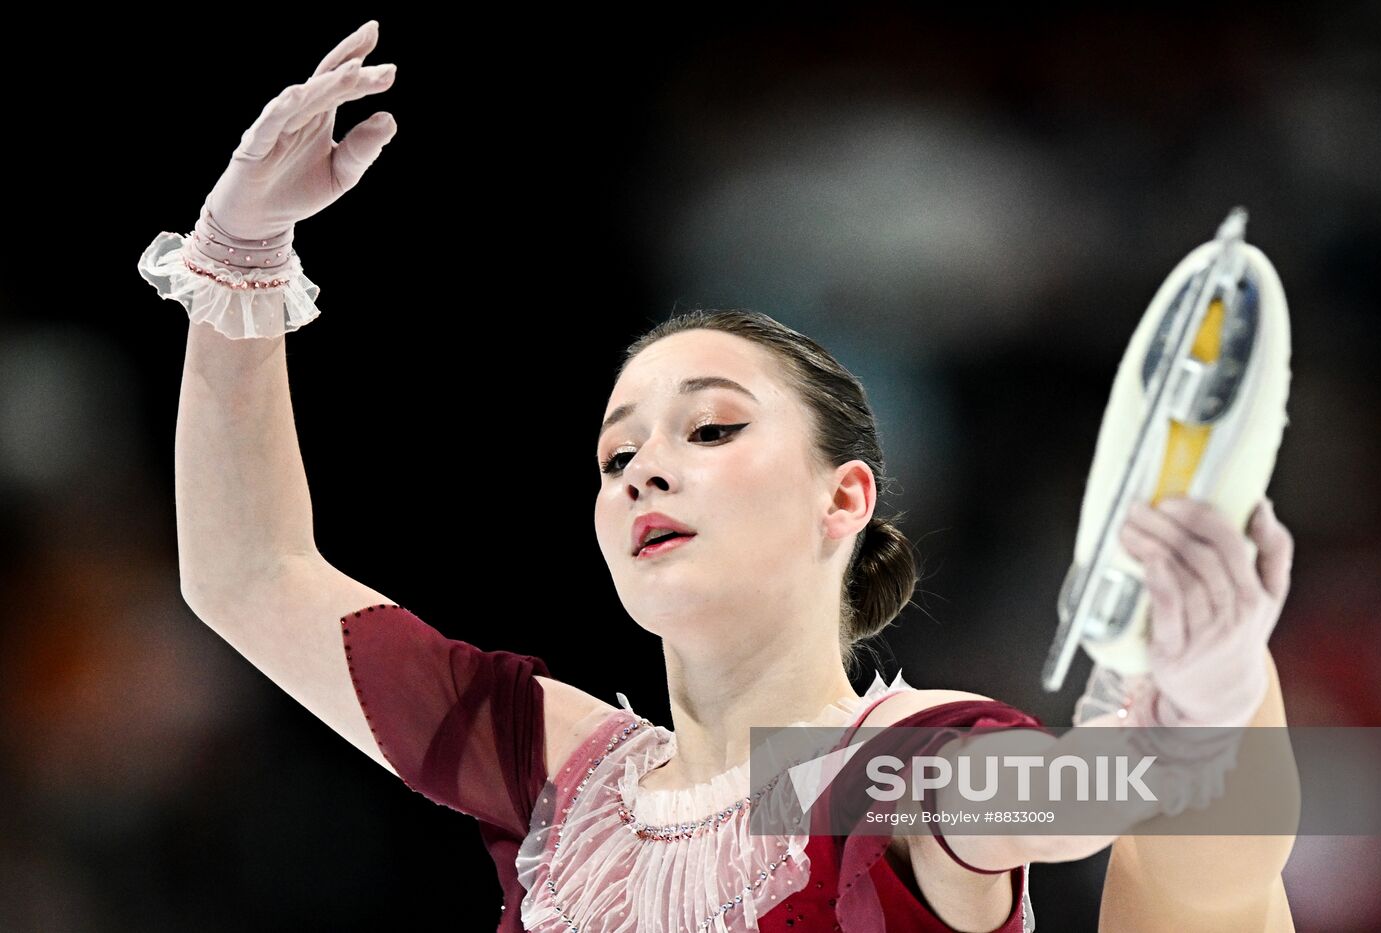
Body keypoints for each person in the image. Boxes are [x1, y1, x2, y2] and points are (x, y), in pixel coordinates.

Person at [141, 20, 1299, 932]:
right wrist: (238, 267)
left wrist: (1198, 704)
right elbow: (248, 574)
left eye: (709, 431)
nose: (645, 469)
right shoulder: (557, 777)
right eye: (616, 452)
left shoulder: (877, 777)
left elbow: (1089, 801)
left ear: (841, 499)